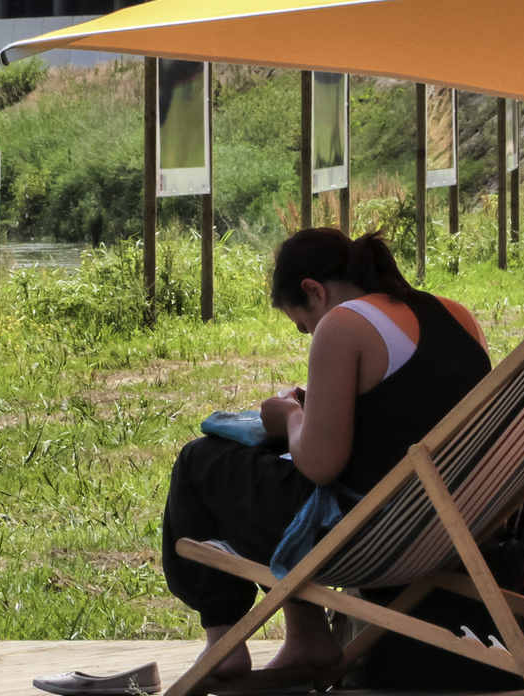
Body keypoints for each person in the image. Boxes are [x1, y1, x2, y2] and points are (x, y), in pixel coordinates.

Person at [158, 229, 490, 689]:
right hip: (455, 523)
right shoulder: (456, 315)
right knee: (270, 473)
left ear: (314, 290)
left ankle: (225, 643)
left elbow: (320, 465)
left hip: (373, 533)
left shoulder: (345, 323)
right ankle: (304, 637)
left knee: (201, 460)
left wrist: (291, 415)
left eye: (305, 324)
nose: (311, 333)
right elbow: (407, 414)